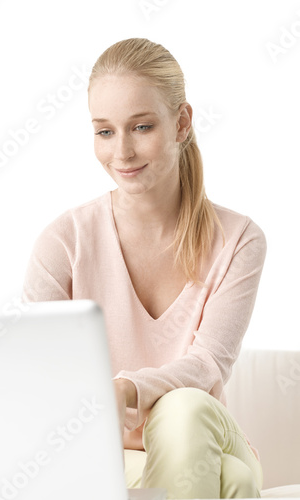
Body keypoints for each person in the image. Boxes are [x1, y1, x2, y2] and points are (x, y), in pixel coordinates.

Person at [21, 37, 267, 499]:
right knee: (230, 483)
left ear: (181, 123)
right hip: (111, 454)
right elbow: (39, 377)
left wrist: (128, 391)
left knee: (183, 410)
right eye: (105, 131)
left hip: (207, 432)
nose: (122, 153)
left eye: (141, 127)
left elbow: (208, 364)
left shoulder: (240, 240)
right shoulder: (63, 242)